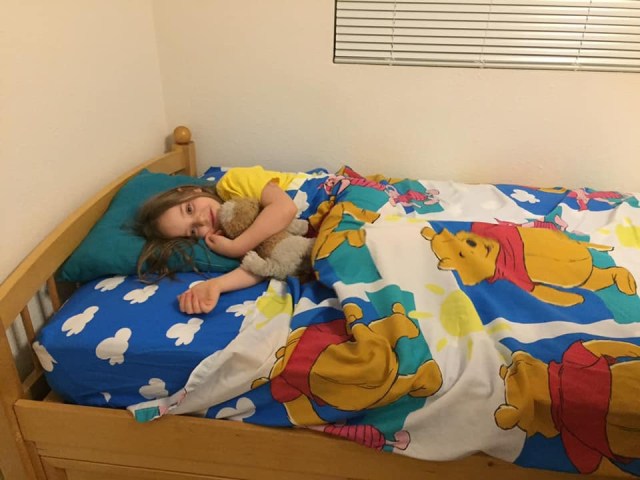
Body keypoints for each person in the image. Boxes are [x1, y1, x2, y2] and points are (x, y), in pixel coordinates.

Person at [136, 166, 299, 315]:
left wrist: (237, 247)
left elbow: (285, 208)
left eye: (189, 209)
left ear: (190, 191)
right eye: (193, 230)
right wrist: (216, 285)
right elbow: (258, 265)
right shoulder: (226, 234)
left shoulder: (232, 183)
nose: (201, 220)